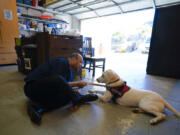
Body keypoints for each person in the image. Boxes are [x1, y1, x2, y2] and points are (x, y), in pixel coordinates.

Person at [24, 53, 98, 125]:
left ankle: (37, 108)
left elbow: (64, 86)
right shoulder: (61, 62)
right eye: (80, 62)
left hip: (43, 94)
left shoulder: (70, 73)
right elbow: (58, 81)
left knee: (67, 96)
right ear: (74, 59)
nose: (81, 65)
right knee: (59, 79)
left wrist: (75, 89)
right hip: (32, 87)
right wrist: (76, 84)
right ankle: (79, 99)